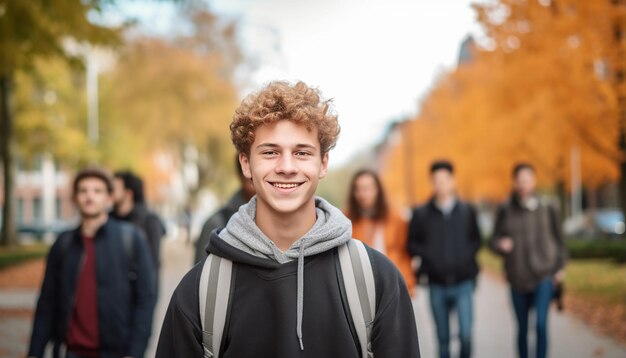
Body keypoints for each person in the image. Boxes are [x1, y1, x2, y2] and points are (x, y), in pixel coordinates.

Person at [156, 81, 420, 357]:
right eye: (270, 152)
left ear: (323, 163)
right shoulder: (201, 290)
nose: (286, 167)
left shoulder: (375, 280)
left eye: (302, 153)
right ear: (246, 163)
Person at [28, 167, 157, 358]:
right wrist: (34, 351)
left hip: (116, 353)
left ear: (109, 198)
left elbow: (146, 299)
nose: (90, 196)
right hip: (70, 351)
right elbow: (47, 302)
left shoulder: (131, 239)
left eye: (97, 191)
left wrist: (135, 352)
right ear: (75, 197)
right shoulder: (63, 244)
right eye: (83, 190)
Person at [489, 163, 567, 358]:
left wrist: (560, 267)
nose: (523, 184)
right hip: (517, 277)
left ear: (534, 181)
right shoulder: (505, 209)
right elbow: (492, 241)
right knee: (522, 328)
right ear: (514, 182)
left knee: (541, 325)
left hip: (543, 275)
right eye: (520, 180)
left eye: (527, 180)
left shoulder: (548, 207)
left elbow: (560, 240)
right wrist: (500, 244)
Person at [407, 160, 481, 358]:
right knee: (443, 339)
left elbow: (476, 239)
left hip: (463, 283)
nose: (441, 185)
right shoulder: (421, 213)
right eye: (436, 181)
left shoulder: (467, 211)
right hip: (436, 284)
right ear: (432, 183)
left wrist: (466, 258)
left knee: (466, 335)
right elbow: (412, 243)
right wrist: (428, 256)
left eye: (444, 180)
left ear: (452, 181)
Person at [345, 168, 415, 295]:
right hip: (362, 288)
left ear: (377, 190)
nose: (363, 194)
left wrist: (408, 283)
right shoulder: (346, 220)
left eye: (367, 188)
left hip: (392, 283)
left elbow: (404, 252)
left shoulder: (395, 217)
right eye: (358, 189)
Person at [194, 157, 256, 264]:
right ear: (241, 176)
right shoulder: (216, 224)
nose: (257, 187)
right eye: (251, 180)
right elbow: (200, 277)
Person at [112, 171, 165, 273]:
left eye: (114, 189)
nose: (109, 191)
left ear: (128, 193)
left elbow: (152, 265)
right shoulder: (108, 219)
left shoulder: (149, 221)